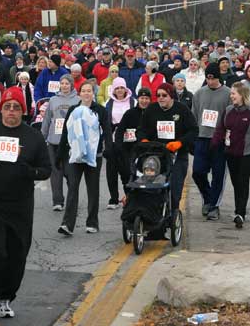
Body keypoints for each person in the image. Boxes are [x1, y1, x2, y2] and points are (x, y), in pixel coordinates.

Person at [0, 87, 51, 321]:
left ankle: (6, 298)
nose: (11, 111)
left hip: (21, 205)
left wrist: (30, 172)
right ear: (1, 108)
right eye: (7, 107)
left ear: (23, 111)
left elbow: (46, 170)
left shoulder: (33, 136)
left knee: (17, 254)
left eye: (16, 107)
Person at [56, 80, 113, 235]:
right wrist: (59, 155)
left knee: (93, 189)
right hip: (75, 156)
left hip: (94, 156)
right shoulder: (73, 110)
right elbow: (66, 133)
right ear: (79, 93)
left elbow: (107, 131)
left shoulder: (100, 110)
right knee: (73, 188)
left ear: (93, 93)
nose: (87, 93)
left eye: (89, 91)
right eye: (84, 91)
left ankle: (92, 223)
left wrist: (109, 149)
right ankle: (67, 224)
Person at [210, 82, 250, 228]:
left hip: (248, 153)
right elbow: (220, 129)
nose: (231, 96)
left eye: (233, 93)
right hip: (231, 152)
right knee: (236, 182)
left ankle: (240, 213)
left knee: (243, 180)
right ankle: (239, 209)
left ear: (242, 95)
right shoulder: (228, 110)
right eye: (231, 93)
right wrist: (214, 144)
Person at [137, 82, 198, 214]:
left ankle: (173, 213)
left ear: (171, 96)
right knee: (152, 186)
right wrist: (143, 140)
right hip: (156, 154)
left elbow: (193, 130)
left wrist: (180, 143)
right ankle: (154, 214)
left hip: (177, 154)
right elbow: (141, 129)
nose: (161, 98)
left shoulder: (182, 109)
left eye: (164, 95)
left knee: (175, 189)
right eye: (158, 95)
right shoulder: (151, 110)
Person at [191, 63, 232, 221]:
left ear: (218, 77)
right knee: (198, 172)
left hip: (220, 140)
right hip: (202, 138)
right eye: (207, 78)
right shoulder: (199, 94)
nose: (210, 81)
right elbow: (194, 117)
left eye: (213, 78)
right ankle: (208, 198)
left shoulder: (228, 94)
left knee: (218, 174)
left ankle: (214, 205)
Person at [41, 74, 80, 212]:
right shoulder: (53, 100)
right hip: (54, 141)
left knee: (71, 172)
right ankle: (57, 201)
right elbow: (47, 120)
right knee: (55, 171)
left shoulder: (78, 100)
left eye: (67, 83)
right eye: (62, 83)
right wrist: (42, 137)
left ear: (71, 85)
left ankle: (72, 198)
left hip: (70, 142)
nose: (64, 86)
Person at [104, 77, 134, 209]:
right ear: (114, 90)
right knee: (111, 170)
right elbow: (105, 122)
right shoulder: (108, 103)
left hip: (128, 141)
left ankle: (129, 196)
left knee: (127, 171)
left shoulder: (133, 102)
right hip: (113, 140)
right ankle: (113, 198)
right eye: (117, 88)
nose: (120, 90)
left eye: (122, 88)